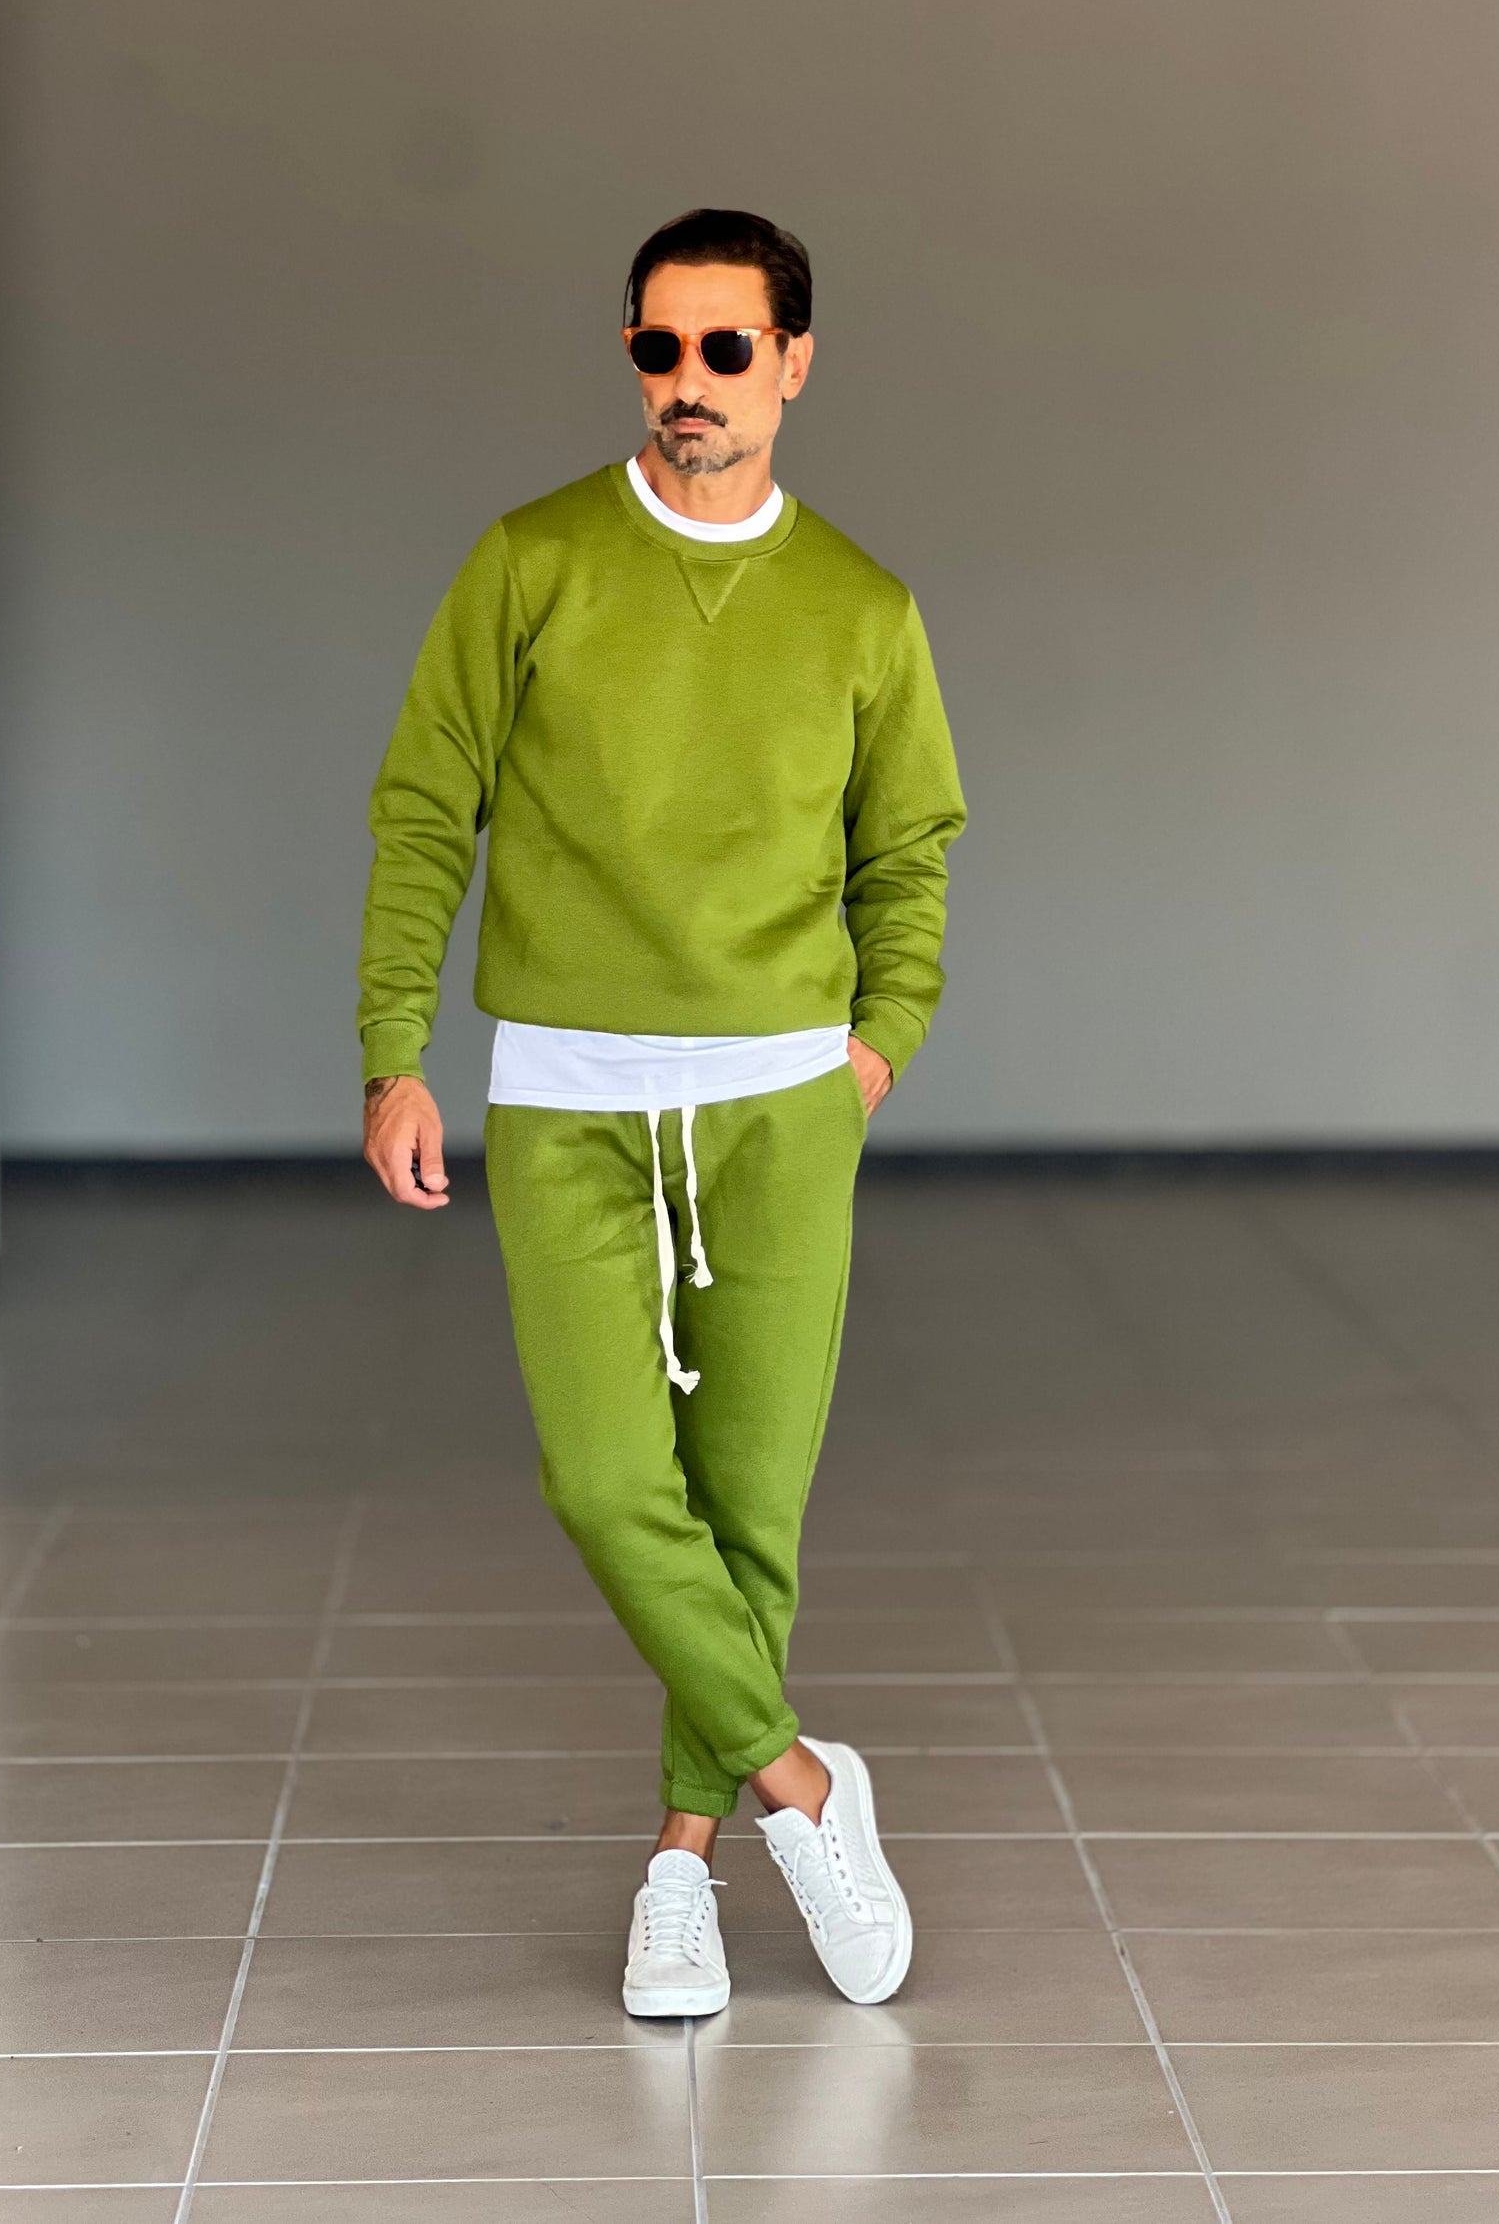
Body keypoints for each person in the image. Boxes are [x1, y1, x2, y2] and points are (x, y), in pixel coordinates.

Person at [358, 206, 965, 2017]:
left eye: (723, 348)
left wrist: (878, 1045)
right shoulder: (531, 560)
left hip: (780, 1105)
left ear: (792, 362)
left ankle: (680, 1867)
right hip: (567, 1094)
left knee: (748, 1510)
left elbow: (909, 849)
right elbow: (424, 803)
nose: (685, 381)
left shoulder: (860, 605)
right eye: (656, 346)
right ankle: (802, 1787)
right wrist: (395, 1047)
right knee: (606, 1483)